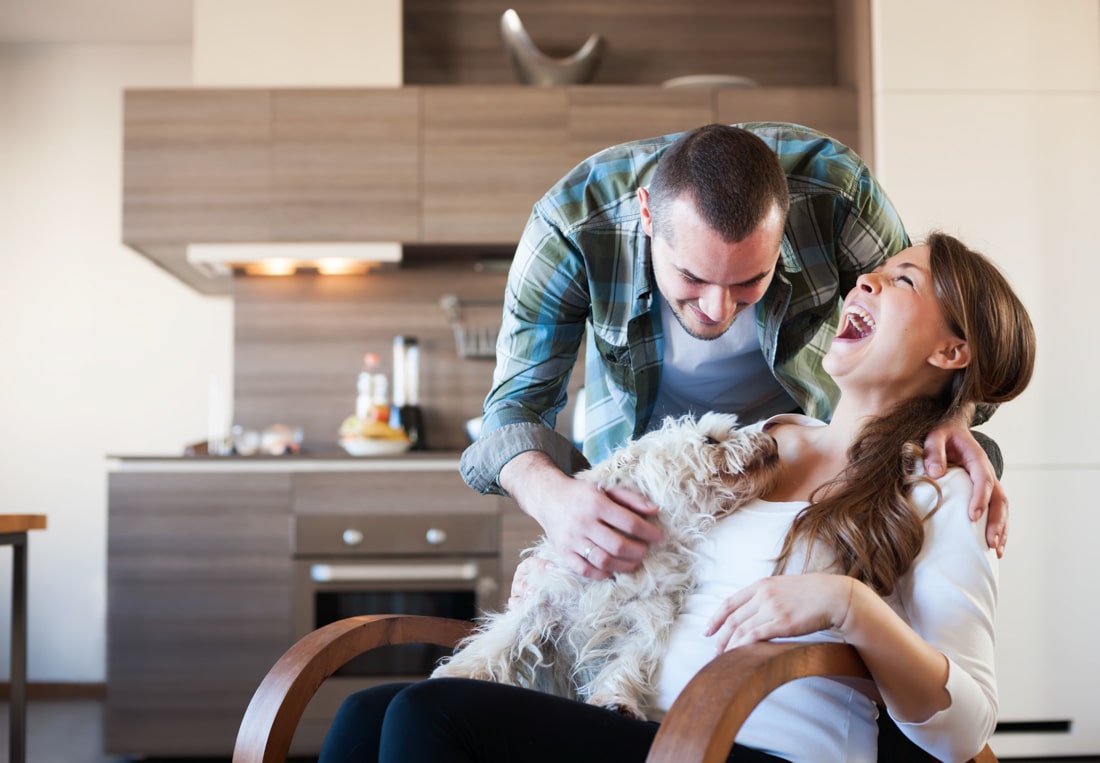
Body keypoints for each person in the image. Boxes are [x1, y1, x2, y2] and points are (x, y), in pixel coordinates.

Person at [318, 232, 1036, 762]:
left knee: (429, 716)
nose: (865, 284)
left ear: (953, 351)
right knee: (362, 715)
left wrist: (851, 605)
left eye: (902, 279)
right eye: (872, 273)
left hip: (750, 748)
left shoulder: (943, 493)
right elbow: (657, 552)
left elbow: (964, 729)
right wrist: (571, 566)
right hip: (643, 726)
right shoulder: (768, 435)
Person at [459, 123, 1009, 582]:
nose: (718, 310)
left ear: (785, 224)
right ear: (647, 216)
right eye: (692, 278)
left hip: (808, 474)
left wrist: (953, 417)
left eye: (751, 280)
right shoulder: (571, 225)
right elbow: (511, 413)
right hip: (651, 483)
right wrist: (556, 503)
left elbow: (934, 327)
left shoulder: (836, 193)